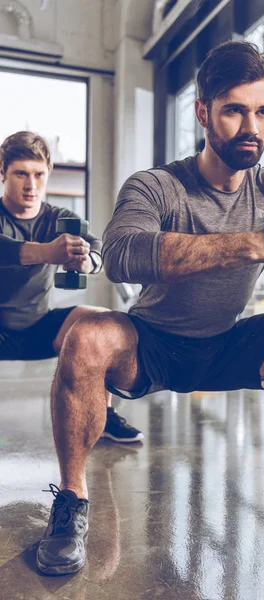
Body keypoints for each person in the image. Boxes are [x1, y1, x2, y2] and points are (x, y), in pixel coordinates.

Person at [36, 40, 264, 576]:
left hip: (226, 343)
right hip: (150, 343)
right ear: (203, 113)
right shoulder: (158, 186)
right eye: (235, 110)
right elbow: (123, 254)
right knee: (85, 335)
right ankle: (73, 501)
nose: (252, 127)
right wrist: (256, 244)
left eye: (263, 111)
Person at [0, 131, 143, 444]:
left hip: (38, 325)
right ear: (2, 173)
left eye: (39, 174)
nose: (31, 184)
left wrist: (87, 261)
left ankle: (103, 417)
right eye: (21, 173)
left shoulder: (59, 218)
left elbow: (97, 249)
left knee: (105, 323)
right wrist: (47, 252)